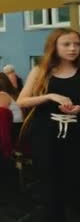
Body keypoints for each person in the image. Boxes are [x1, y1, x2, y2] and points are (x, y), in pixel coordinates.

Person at [17, 28, 80, 221]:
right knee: (49, 184)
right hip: (45, 136)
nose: (73, 49)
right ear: (54, 46)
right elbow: (22, 101)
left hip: (76, 135)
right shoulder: (41, 71)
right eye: (66, 44)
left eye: (77, 44)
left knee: (75, 182)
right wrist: (50, 96)